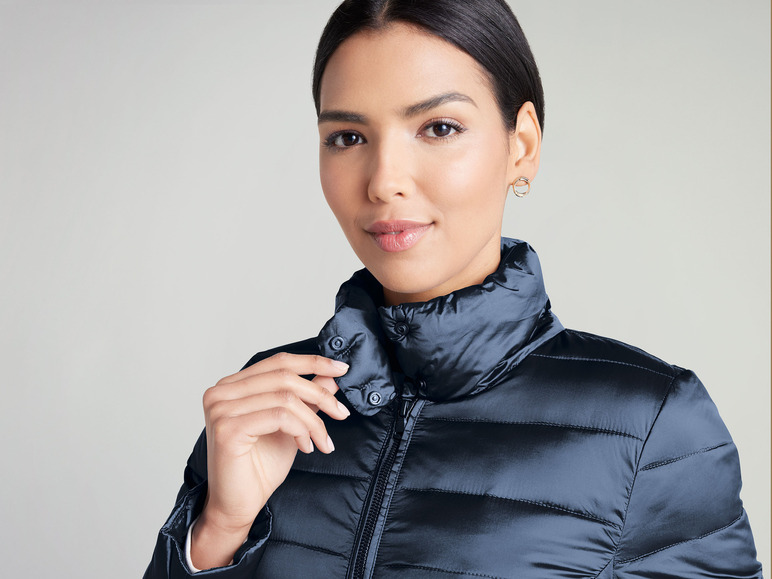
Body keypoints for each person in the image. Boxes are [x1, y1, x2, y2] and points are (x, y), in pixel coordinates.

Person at [144, 0, 763, 577]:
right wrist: (219, 529)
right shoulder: (270, 402)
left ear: (521, 145)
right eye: (348, 137)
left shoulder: (653, 424)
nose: (384, 181)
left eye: (438, 128)